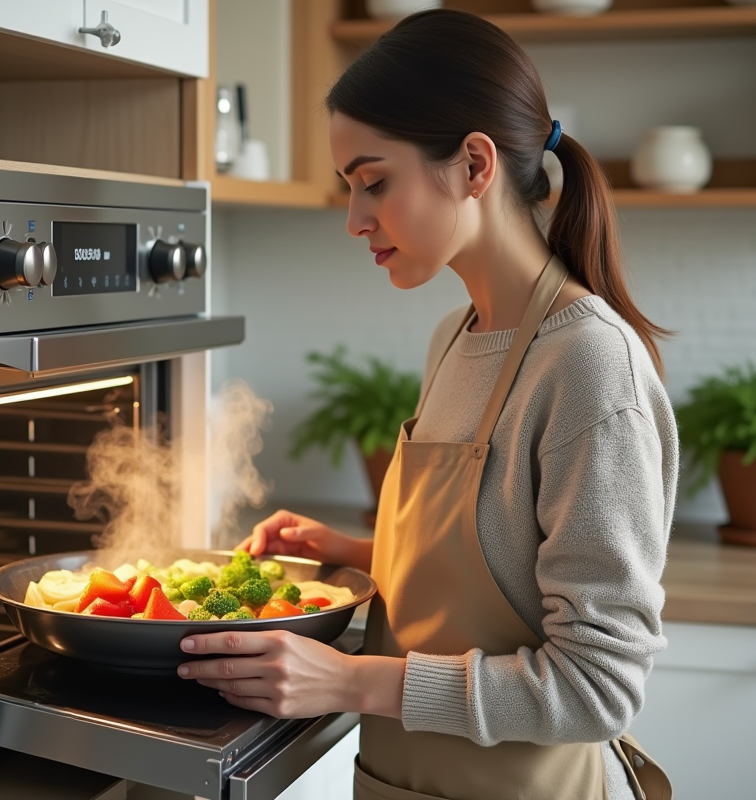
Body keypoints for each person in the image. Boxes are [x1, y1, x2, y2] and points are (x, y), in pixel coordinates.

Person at [176, 9, 677, 799]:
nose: (356, 219)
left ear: (474, 163)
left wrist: (350, 683)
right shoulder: (456, 335)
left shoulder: (587, 364)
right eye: (350, 187)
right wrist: (352, 551)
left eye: (375, 181)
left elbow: (598, 687)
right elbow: (495, 578)